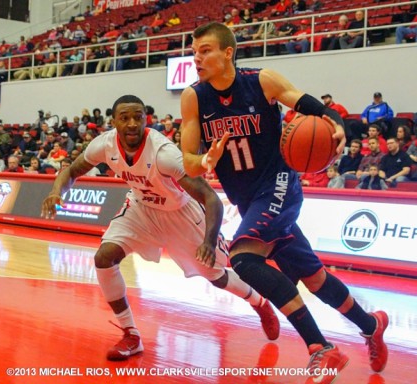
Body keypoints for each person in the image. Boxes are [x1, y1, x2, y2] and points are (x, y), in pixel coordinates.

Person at [180, 22, 389, 383]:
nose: (197, 57)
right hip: (249, 201)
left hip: (279, 185)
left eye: (206, 50)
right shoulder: (194, 97)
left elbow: (311, 106)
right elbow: (188, 160)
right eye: (194, 51)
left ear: (228, 52)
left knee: (243, 259)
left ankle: (320, 348)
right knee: (313, 277)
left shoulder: (262, 81)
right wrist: (204, 162)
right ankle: (372, 325)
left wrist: (336, 124)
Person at [41, 95, 280, 361]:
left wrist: (209, 242)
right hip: (141, 208)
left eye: (138, 117)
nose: (132, 123)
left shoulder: (164, 154)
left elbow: (211, 199)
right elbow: (71, 171)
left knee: (216, 276)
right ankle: (130, 334)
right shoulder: (104, 145)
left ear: (146, 119)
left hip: (180, 213)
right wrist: (55, 192)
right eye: (125, 118)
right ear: (114, 122)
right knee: (104, 258)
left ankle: (258, 302)